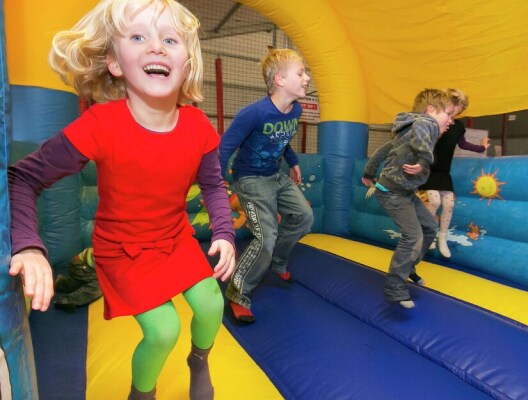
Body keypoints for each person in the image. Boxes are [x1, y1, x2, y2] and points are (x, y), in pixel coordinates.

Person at [7, 1, 236, 399]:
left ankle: (199, 361)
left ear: (187, 62)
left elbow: (214, 185)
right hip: (124, 249)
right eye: (137, 37)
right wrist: (28, 244)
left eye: (169, 39)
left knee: (212, 304)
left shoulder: (197, 125)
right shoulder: (101, 124)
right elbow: (22, 176)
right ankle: (141, 394)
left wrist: (225, 232)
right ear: (115, 62)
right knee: (164, 329)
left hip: (175, 238)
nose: (156, 48)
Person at [219, 48, 314, 323]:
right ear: (280, 80)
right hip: (251, 179)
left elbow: (283, 141)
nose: (307, 78)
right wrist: (218, 182)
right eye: (300, 72)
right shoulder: (254, 113)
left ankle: (278, 262)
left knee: (304, 217)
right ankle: (238, 293)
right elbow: (225, 147)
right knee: (266, 237)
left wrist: (293, 161)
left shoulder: (294, 110)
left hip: (276, 175)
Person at [362, 88, 454, 309]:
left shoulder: (408, 131)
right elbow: (424, 138)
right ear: (430, 110)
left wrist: (368, 173)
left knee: (430, 227)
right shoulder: (426, 124)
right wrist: (423, 161)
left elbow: (382, 151)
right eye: (449, 114)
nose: (450, 121)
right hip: (392, 193)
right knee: (412, 236)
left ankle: (409, 266)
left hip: (403, 193)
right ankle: (395, 286)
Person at [417, 89, 490, 258]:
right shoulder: (434, 122)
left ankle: (442, 237)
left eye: (460, 108)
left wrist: (481, 147)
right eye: (454, 106)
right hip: (429, 169)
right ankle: (426, 234)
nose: (456, 111)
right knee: (434, 201)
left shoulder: (457, 126)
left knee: (449, 204)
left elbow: (463, 144)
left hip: (443, 171)